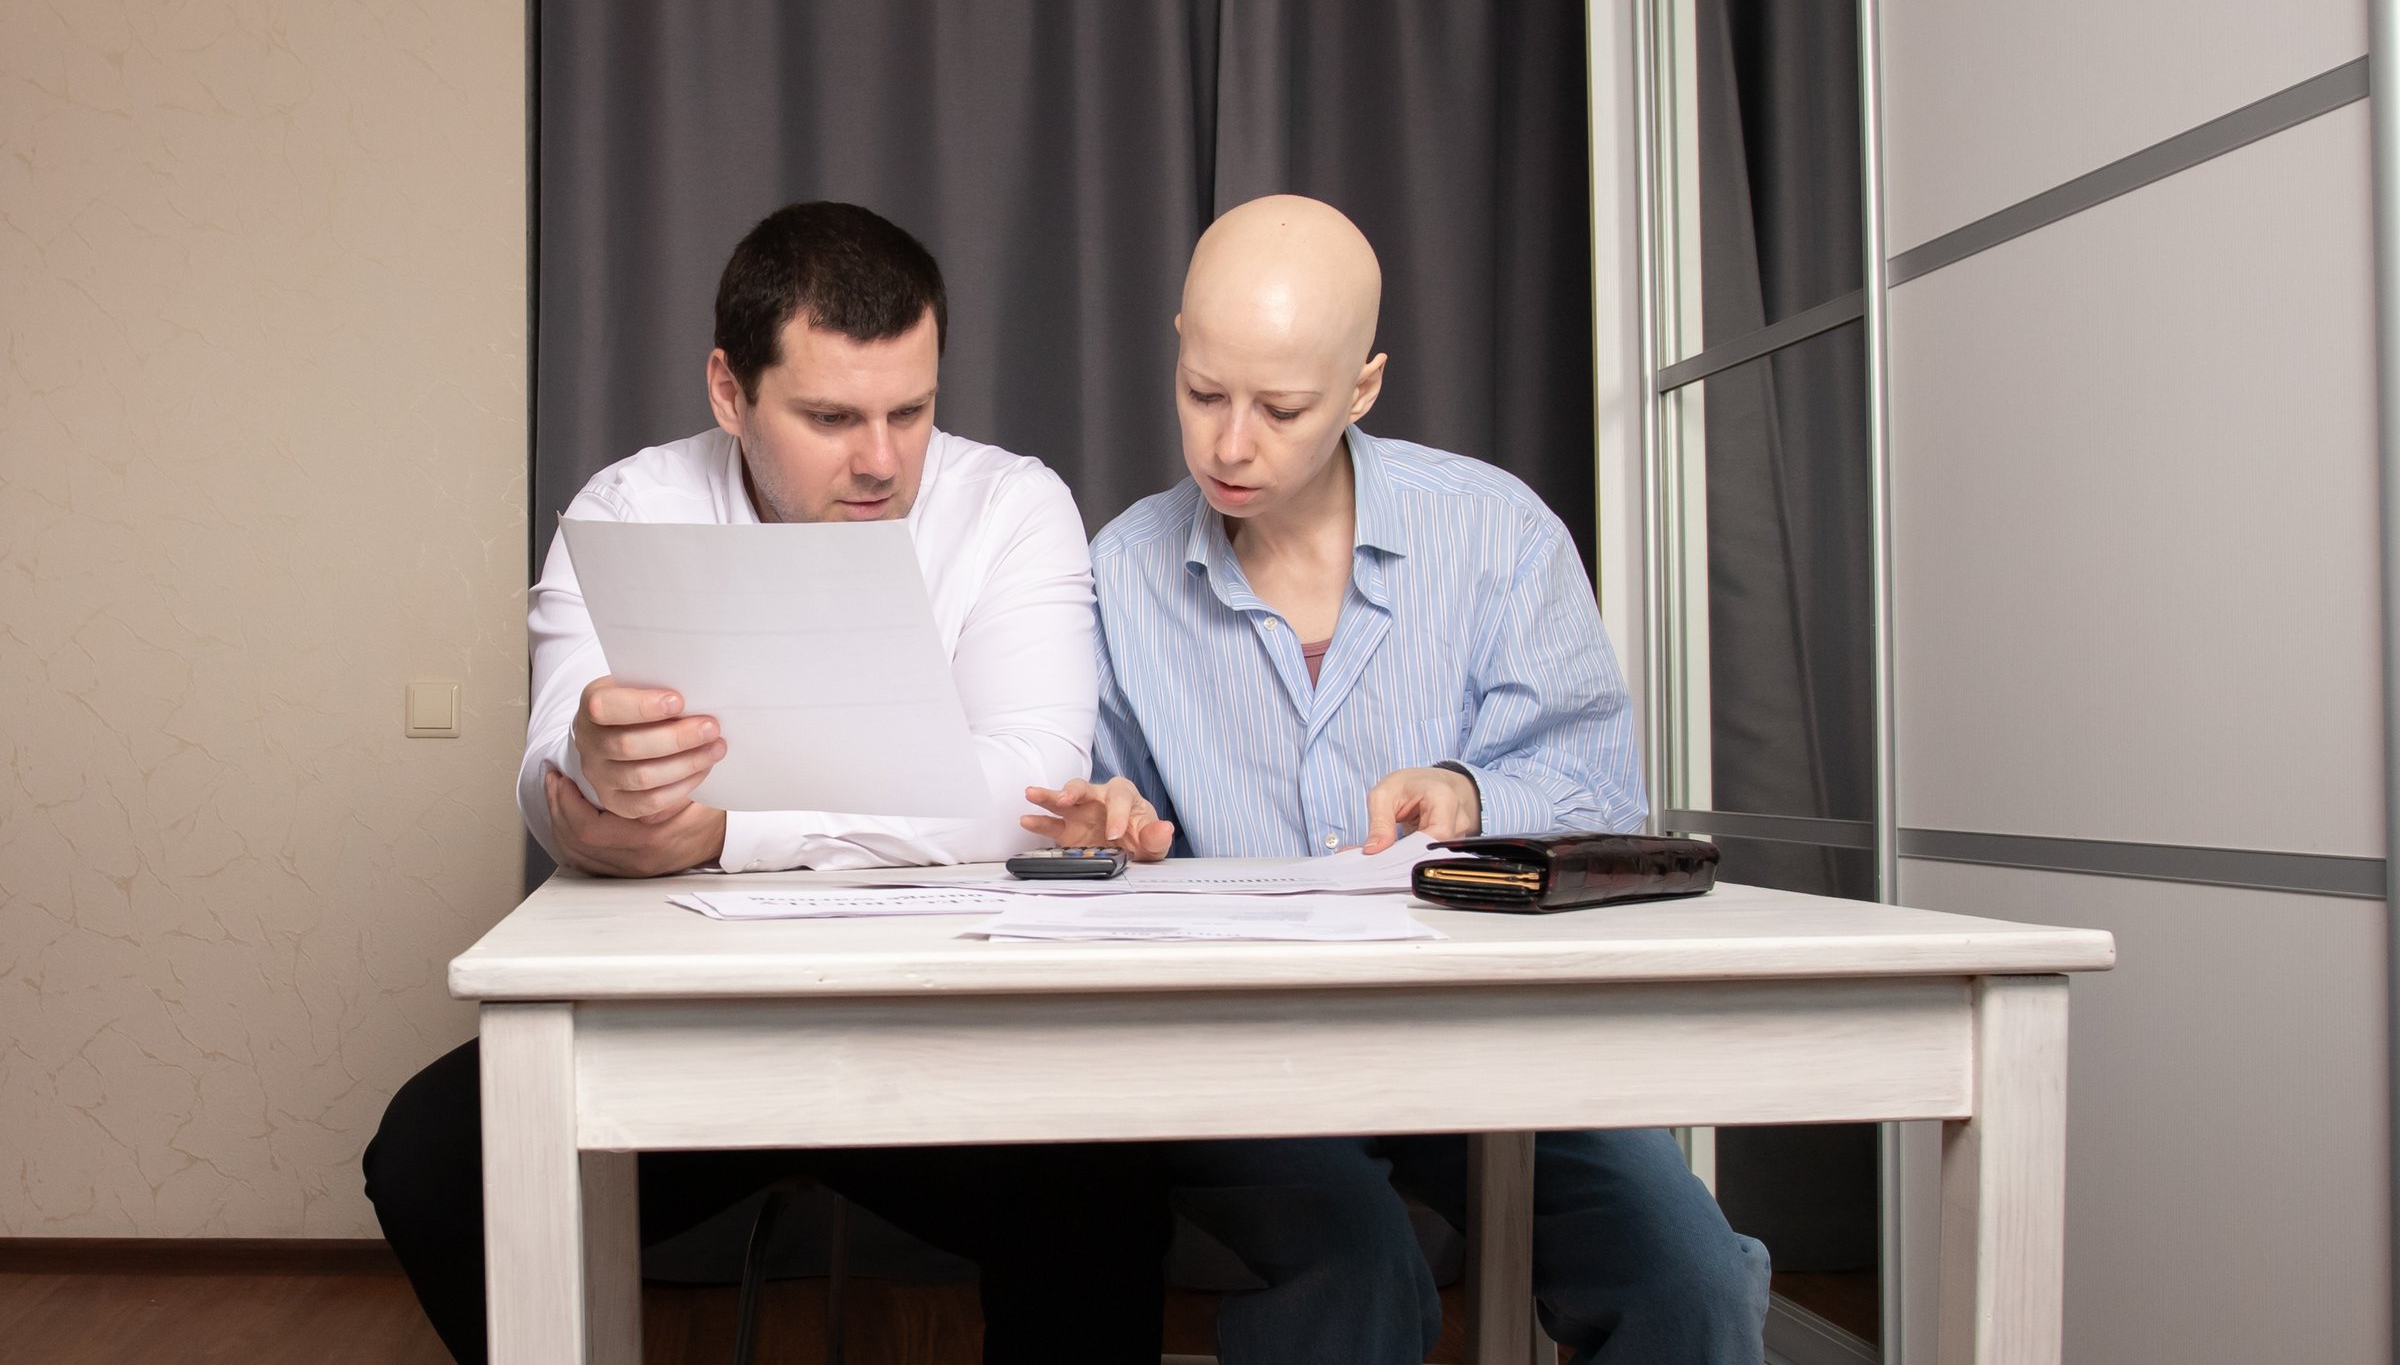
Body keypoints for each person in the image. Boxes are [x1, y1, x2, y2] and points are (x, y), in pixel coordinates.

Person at [364, 202, 1170, 1365]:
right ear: (729, 393)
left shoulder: (1009, 508)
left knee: (1110, 1186)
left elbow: (1027, 789)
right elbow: (548, 785)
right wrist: (586, 786)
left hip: (953, 1028)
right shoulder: (626, 510)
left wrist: (721, 828)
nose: (883, 460)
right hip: (685, 1032)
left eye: (913, 410)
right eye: (832, 417)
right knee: (431, 1166)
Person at [1021, 194, 1770, 1365]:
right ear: (1175, 345)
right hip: (1249, 1054)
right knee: (1355, 1276)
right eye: (1204, 393)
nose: (1229, 444)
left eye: (1282, 409)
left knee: (1690, 1281)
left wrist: (1471, 797)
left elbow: (1601, 800)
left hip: (1495, 1037)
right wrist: (1105, 830)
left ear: (1363, 389)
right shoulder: (1118, 573)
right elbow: (1095, 844)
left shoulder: (1499, 536)